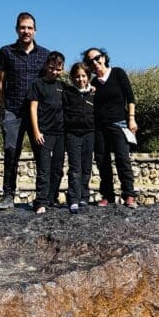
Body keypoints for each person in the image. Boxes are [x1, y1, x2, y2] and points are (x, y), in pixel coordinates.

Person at [0, 12, 50, 210]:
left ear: (35, 30)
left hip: (38, 114)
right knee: (11, 153)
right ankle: (8, 196)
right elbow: (0, 82)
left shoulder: (45, 55)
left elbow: (50, 83)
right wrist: (6, 105)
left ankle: (43, 198)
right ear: (17, 29)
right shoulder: (5, 52)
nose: (26, 31)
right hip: (13, 111)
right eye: (22, 27)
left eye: (29, 28)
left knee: (41, 155)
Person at [83, 47, 138, 208]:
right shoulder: (93, 83)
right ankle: (108, 195)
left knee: (122, 158)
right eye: (90, 60)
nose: (95, 62)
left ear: (104, 58)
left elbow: (130, 97)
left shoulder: (118, 73)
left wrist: (132, 119)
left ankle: (129, 194)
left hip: (119, 123)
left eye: (97, 57)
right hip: (99, 126)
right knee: (102, 160)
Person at [27, 52, 66, 214]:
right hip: (44, 132)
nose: (54, 72)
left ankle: (52, 199)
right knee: (44, 168)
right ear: (45, 66)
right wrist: (36, 131)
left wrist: (91, 88)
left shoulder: (62, 86)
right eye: (51, 68)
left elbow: (79, 93)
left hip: (61, 133)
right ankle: (41, 201)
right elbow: (33, 108)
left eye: (58, 69)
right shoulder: (37, 84)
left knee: (57, 168)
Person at [62, 62, 95, 213]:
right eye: (77, 76)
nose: (80, 79)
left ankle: (84, 197)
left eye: (83, 76)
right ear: (72, 78)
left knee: (86, 167)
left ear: (88, 77)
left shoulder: (94, 93)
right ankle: (73, 199)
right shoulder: (67, 92)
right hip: (72, 134)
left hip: (89, 133)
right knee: (75, 168)